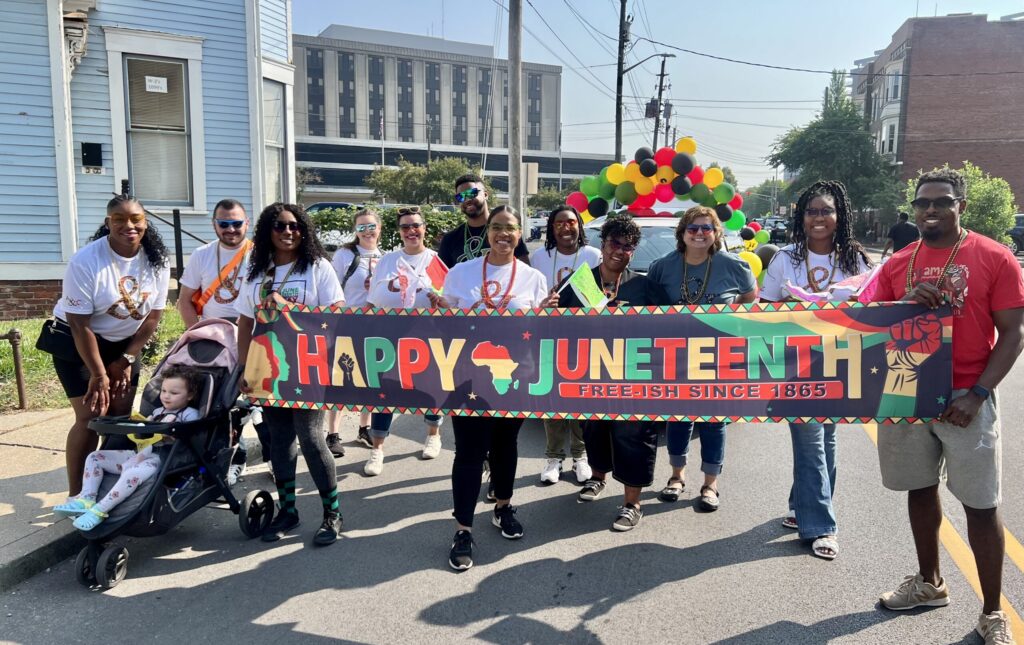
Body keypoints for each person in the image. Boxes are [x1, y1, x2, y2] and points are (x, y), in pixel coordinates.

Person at [863, 168, 1024, 645]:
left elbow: (1013, 332)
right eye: (922, 202)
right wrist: (906, 304)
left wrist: (976, 395)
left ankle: (993, 611)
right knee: (919, 488)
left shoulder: (994, 257)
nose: (930, 209)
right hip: (907, 391)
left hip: (965, 399)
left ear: (961, 207)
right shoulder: (897, 263)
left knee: (980, 504)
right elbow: (874, 330)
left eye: (942, 201)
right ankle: (929, 582)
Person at [429, 205, 549, 570]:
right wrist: (440, 306)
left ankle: (502, 506)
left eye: (511, 229)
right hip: (467, 379)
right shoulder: (461, 273)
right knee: (468, 452)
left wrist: (544, 314)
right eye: (497, 227)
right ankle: (463, 528)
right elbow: (447, 323)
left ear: (519, 234)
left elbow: (539, 332)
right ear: (488, 233)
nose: (503, 234)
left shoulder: (531, 277)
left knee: (504, 446)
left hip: (511, 378)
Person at [760, 180, 871, 561]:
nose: (819, 218)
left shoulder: (855, 259)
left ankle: (800, 504)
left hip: (842, 362)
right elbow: (762, 309)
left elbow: (875, 307)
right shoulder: (784, 258)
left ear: (839, 216)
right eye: (812, 211)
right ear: (801, 217)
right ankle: (822, 525)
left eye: (826, 210)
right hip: (797, 365)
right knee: (810, 441)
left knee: (826, 439)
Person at [236, 203, 347, 546]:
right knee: (279, 441)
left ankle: (332, 513)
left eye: (295, 226)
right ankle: (289, 510)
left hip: (307, 366)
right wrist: (244, 366)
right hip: (268, 368)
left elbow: (337, 314)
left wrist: (293, 310)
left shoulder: (316, 267)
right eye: (280, 226)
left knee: (311, 438)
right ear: (267, 231)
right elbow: (244, 321)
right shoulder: (256, 271)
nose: (288, 232)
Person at [46, 195, 170, 499]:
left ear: (145, 222)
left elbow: (153, 317)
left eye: (136, 219)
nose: (129, 225)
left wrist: (126, 360)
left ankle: (105, 488)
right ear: (108, 223)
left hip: (124, 345)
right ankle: (77, 496)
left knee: (117, 420)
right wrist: (99, 374)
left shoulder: (158, 260)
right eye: (119, 219)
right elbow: (79, 324)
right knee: (90, 417)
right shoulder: (87, 261)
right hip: (77, 343)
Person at [560, 215, 671, 530]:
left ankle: (632, 503)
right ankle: (597, 477)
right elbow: (553, 320)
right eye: (614, 244)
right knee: (594, 430)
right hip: (591, 375)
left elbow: (673, 327)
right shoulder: (579, 282)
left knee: (632, 436)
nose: (619, 252)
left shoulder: (645, 287)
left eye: (628, 247)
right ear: (603, 243)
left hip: (634, 377)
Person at [646, 206, 757, 513]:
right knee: (678, 419)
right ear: (682, 233)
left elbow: (750, 300)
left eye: (706, 228)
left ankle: (710, 484)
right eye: (692, 228)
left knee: (713, 421)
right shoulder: (661, 267)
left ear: (716, 232)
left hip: (718, 358)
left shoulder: (734, 266)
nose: (698, 234)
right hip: (674, 357)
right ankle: (676, 477)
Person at [53, 364, 202, 531]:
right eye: (164, 391)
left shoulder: (189, 414)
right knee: (95, 457)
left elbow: (193, 434)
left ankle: (100, 510)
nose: (166, 396)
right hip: (140, 454)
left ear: (190, 395)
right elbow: (143, 435)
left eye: (174, 393)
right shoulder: (158, 411)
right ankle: (87, 498)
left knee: (132, 475)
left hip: (161, 459)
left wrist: (173, 433)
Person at [177, 198, 255, 485]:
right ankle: (235, 458)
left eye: (237, 223)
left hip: (253, 336)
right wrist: (197, 334)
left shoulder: (261, 254)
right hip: (215, 339)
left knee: (260, 400)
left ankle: (274, 457)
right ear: (215, 225)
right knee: (220, 404)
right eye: (224, 224)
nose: (231, 229)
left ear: (247, 223)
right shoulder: (202, 254)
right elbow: (185, 300)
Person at [362, 206, 445, 476]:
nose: (411, 231)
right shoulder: (387, 261)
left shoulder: (435, 261)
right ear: (399, 232)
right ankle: (377, 449)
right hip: (389, 339)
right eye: (405, 227)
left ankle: (433, 433)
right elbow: (372, 302)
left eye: (416, 225)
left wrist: (439, 302)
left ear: (424, 228)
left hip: (427, 339)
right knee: (383, 393)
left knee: (431, 389)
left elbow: (450, 306)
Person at [529, 205, 601, 486]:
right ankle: (553, 457)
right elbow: (532, 298)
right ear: (551, 228)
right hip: (548, 336)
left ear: (579, 226)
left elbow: (599, 298)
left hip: (584, 337)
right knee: (552, 400)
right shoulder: (539, 256)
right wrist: (544, 304)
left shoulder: (592, 255)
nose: (565, 227)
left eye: (571, 222)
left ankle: (580, 456)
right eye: (559, 222)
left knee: (579, 398)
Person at [327, 208, 382, 456]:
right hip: (346, 325)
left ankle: (364, 428)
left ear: (379, 228)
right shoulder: (344, 255)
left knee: (369, 378)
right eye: (361, 227)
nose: (367, 231)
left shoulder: (385, 257)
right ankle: (333, 434)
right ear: (355, 231)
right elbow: (332, 289)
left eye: (371, 226)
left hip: (374, 326)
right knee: (341, 377)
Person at [437, 174, 530, 268]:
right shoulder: (450, 239)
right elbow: (440, 278)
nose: (467, 199)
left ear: (485, 195)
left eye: (472, 193)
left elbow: (525, 271)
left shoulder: (507, 232)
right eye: (461, 196)